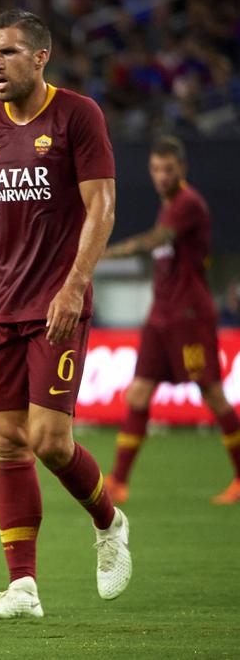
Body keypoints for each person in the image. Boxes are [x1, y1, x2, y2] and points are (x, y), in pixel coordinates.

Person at [0, 9, 130, 620]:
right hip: (1, 305)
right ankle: (23, 588)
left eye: (6, 53)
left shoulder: (78, 115)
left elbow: (102, 206)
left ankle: (110, 525)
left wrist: (75, 284)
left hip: (56, 303)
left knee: (49, 440)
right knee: (8, 443)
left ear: (39, 57)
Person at [102, 136, 240, 504]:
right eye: (156, 169)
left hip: (189, 315)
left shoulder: (188, 203)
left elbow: (156, 240)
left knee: (212, 393)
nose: (161, 176)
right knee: (138, 393)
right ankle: (118, 481)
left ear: (182, 168)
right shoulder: (168, 205)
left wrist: (103, 250)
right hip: (161, 315)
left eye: (168, 169)